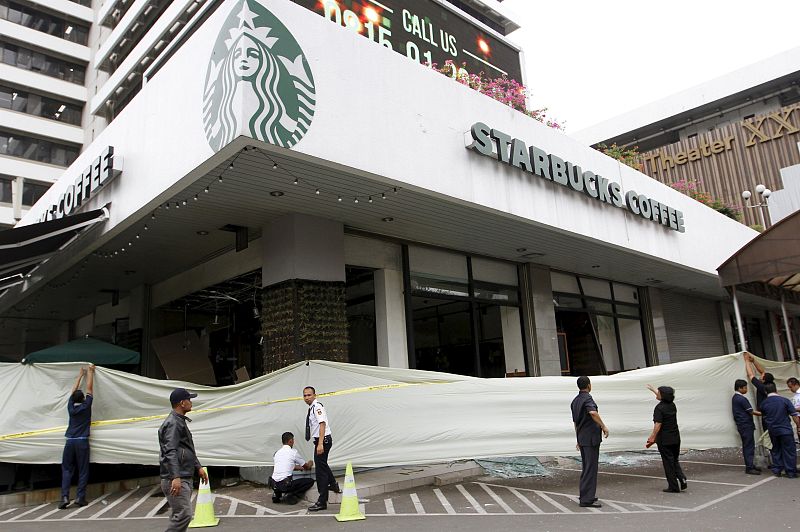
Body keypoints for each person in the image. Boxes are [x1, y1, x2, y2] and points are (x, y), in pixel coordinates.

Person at [158, 388, 208, 532]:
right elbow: (171, 451)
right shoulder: (173, 423)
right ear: (182, 403)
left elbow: (186, 449)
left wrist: (198, 467)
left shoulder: (179, 421)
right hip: (175, 478)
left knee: (180, 515)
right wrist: (175, 477)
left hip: (182, 475)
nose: (191, 402)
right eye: (189, 399)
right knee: (184, 515)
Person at [570, 376, 609, 508]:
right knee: (591, 468)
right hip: (591, 439)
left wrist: (578, 439)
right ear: (588, 385)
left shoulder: (575, 401)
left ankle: (586, 494)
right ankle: (586, 499)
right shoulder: (587, 398)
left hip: (582, 438)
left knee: (587, 467)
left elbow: (576, 422)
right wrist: (603, 426)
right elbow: (592, 412)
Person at [59, 365, 95, 509]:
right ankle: (80, 497)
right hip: (82, 442)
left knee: (67, 470)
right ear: (83, 399)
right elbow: (90, 389)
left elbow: (73, 392)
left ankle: (64, 497)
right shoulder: (86, 406)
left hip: (70, 442)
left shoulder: (71, 407)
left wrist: (80, 375)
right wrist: (90, 372)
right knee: (83, 470)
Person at [303, 386, 341, 512]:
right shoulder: (312, 408)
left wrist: (320, 444)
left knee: (320, 472)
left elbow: (322, 424)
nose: (307, 397)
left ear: (315, 395)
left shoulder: (317, 407)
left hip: (323, 441)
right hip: (322, 441)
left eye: (309, 395)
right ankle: (334, 485)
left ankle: (322, 501)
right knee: (323, 465)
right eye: (305, 395)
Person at [646, 384, 687, 493]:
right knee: (674, 460)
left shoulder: (659, 408)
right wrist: (653, 389)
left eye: (658, 392)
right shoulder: (672, 405)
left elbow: (658, 424)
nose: (657, 393)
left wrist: (652, 437)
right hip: (675, 438)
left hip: (665, 439)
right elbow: (663, 396)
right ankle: (681, 478)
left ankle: (673, 486)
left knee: (668, 463)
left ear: (662, 395)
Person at [759, 381, 800, 478]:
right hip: (785, 430)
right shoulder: (785, 401)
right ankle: (790, 472)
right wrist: (798, 427)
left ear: (765, 392)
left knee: (776, 450)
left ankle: (777, 470)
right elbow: (794, 416)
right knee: (789, 450)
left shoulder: (763, 404)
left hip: (773, 431)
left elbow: (764, 416)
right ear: (776, 390)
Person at [270, 431, 314, 504]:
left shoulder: (277, 453)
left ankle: (277, 494)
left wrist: (300, 468)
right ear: (290, 441)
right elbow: (306, 466)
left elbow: (288, 466)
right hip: (285, 485)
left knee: (281, 482)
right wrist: (310, 463)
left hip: (273, 484)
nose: (294, 442)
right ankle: (291, 494)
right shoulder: (293, 453)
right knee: (310, 481)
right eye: (293, 440)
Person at [731, 379, 762, 475]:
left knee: (748, 445)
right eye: (745, 387)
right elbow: (751, 411)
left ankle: (750, 465)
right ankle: (749, 467)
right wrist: (764, 413)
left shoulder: (735, 398)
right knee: (749, 446)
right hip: (745, 425)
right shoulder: (741, 399)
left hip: (743, 425)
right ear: (740, 388)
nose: (746, 389)